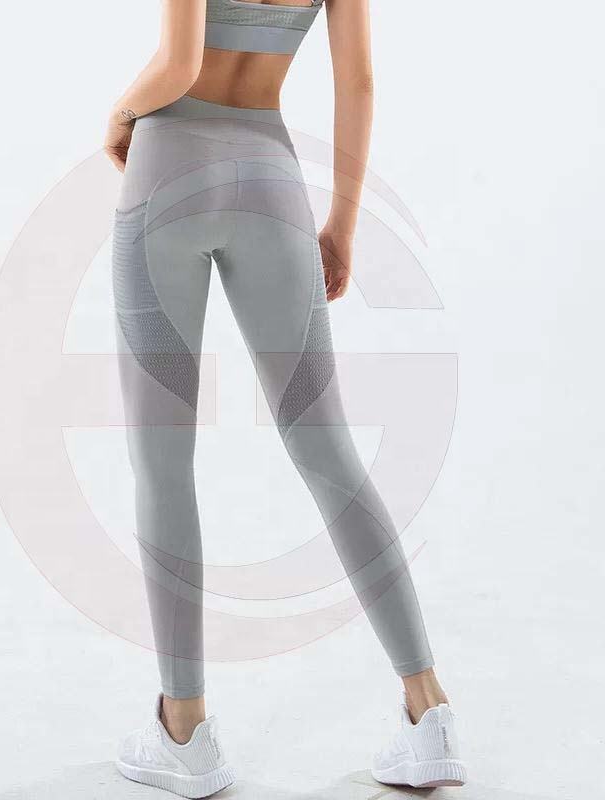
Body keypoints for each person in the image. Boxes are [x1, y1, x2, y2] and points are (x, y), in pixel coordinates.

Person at [104, 1, 467, 796]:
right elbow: (358, 82)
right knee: (326, 446)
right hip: (270, 183)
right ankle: (428, 708)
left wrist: (122, 113)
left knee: (162, 461)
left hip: (167, 171)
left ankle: (185, 730)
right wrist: (340, 226)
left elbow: (180, 67)